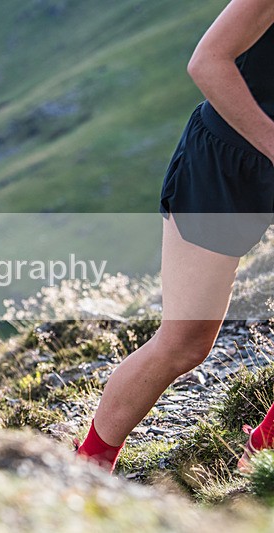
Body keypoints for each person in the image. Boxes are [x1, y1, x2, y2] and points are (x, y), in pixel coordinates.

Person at [76, 0, 274, 472]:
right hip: (224, 163)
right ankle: (88, 467)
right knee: (185, 341)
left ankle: (262, 456)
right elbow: (207, 62)